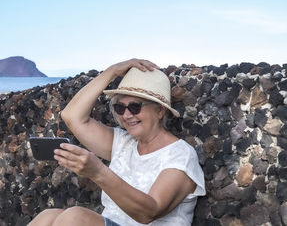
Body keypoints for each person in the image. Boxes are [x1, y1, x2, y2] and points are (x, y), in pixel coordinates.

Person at [28, 59, 206, 226]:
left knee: (75, 218)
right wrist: (112, 71)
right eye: (120, 108)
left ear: (159, 110)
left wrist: (98, 172)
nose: (127, 115)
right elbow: (72, 116)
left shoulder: (180, 155)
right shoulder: (124, 142)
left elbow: (149, 212)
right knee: (47, 217)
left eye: (135, 106)